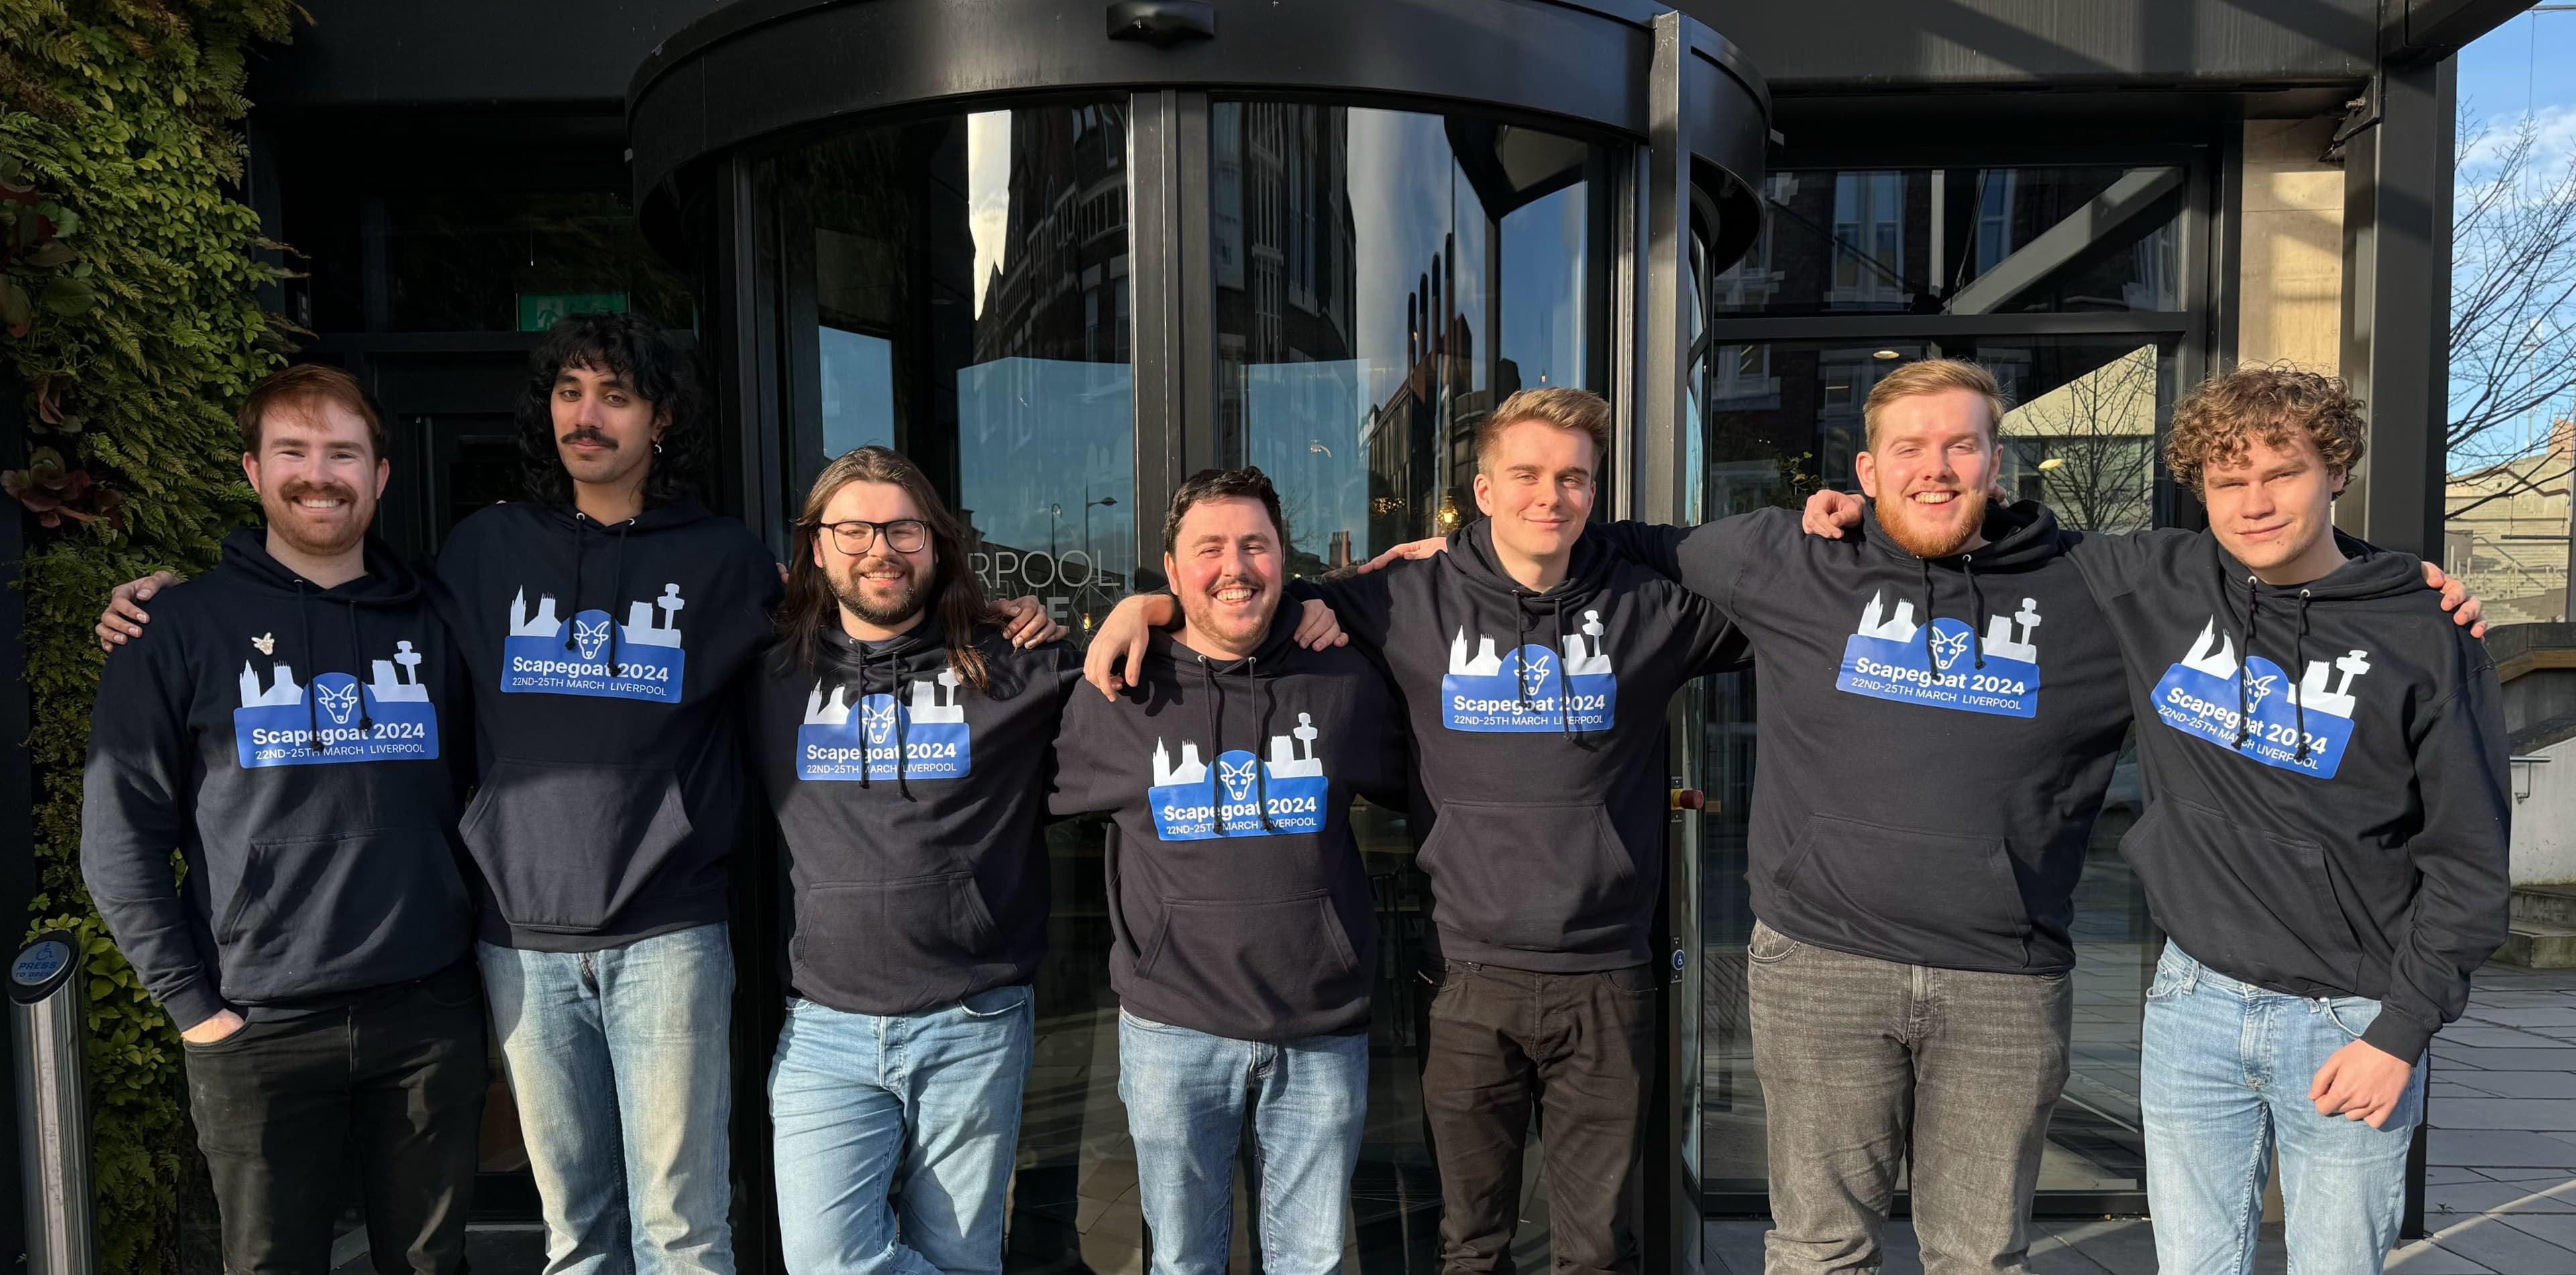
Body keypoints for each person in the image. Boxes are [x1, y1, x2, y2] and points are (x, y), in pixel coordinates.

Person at [1356, 365, 2485, 1275]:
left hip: (2007, 984)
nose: (1934, 469)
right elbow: (1613, 540)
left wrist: (2405, 588)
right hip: (1820, 969)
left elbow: (2285, 570)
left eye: (1960, 447)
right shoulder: (1793, 557)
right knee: (1818, 1251)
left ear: (1997, 461)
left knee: (1978, 1256)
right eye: (1908, 449)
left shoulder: (2104, 581)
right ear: (1865, 468)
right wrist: (1434, 566)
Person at [1087, 389, 1749, 1275]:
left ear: (1595, 494)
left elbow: (1791, 613)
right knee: (1469, 1245)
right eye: (1526, 475)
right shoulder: (1405, 596)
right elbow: (1244, 596)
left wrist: (1664, 541)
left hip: (1608, 975)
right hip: (1468, 977)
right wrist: (1147, 607)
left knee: (1598, 1249)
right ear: (1484, 491)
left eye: (1573, 479)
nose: (1550, 496)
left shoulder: (1645, 606)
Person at [2064, 368, 2509, 1272]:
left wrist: (2399, 1034)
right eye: (2228, 481)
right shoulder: (2159, 578)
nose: (2255, 503)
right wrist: (1848, 508)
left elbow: (2469, 866)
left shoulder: (2423, 632)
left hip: (2352, 1016)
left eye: (2283, 473)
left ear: (2336, 470)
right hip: (2193, 1002)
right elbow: (1978, 529)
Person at [82, 364, 484, 1275]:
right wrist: (194, 1010)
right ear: (253, 471)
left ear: (380, 475)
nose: (319, 474)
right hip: (255, 1022)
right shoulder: (175, 628)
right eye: (293, 451)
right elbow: (118, 837)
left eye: (343, 453)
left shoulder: (437, 621)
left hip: (425, 1012)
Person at [1051, 467, 1411, 1275]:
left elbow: (1440, 783)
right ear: (1172, 571)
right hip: (1172, 1033)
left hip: (1320, 1030)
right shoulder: (1117, 690)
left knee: (1310, 1264)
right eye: (1209, 548)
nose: (1235, 566)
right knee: (1182, 1263)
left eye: (1255, 544)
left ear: (1284, 556)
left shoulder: (1342, 677)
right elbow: (1002, 795)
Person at [751, 446, 1083, 1275]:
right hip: (825, 1026)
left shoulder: (1013, 662)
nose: (880, 549)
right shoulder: (769, 674)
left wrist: (1148, 608)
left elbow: (1172, 667)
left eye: (903, 529)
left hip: (974, 1020)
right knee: (826, 1261)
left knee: (960, 1256)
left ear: (936, 542)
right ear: (817, 546)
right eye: (854, 530)